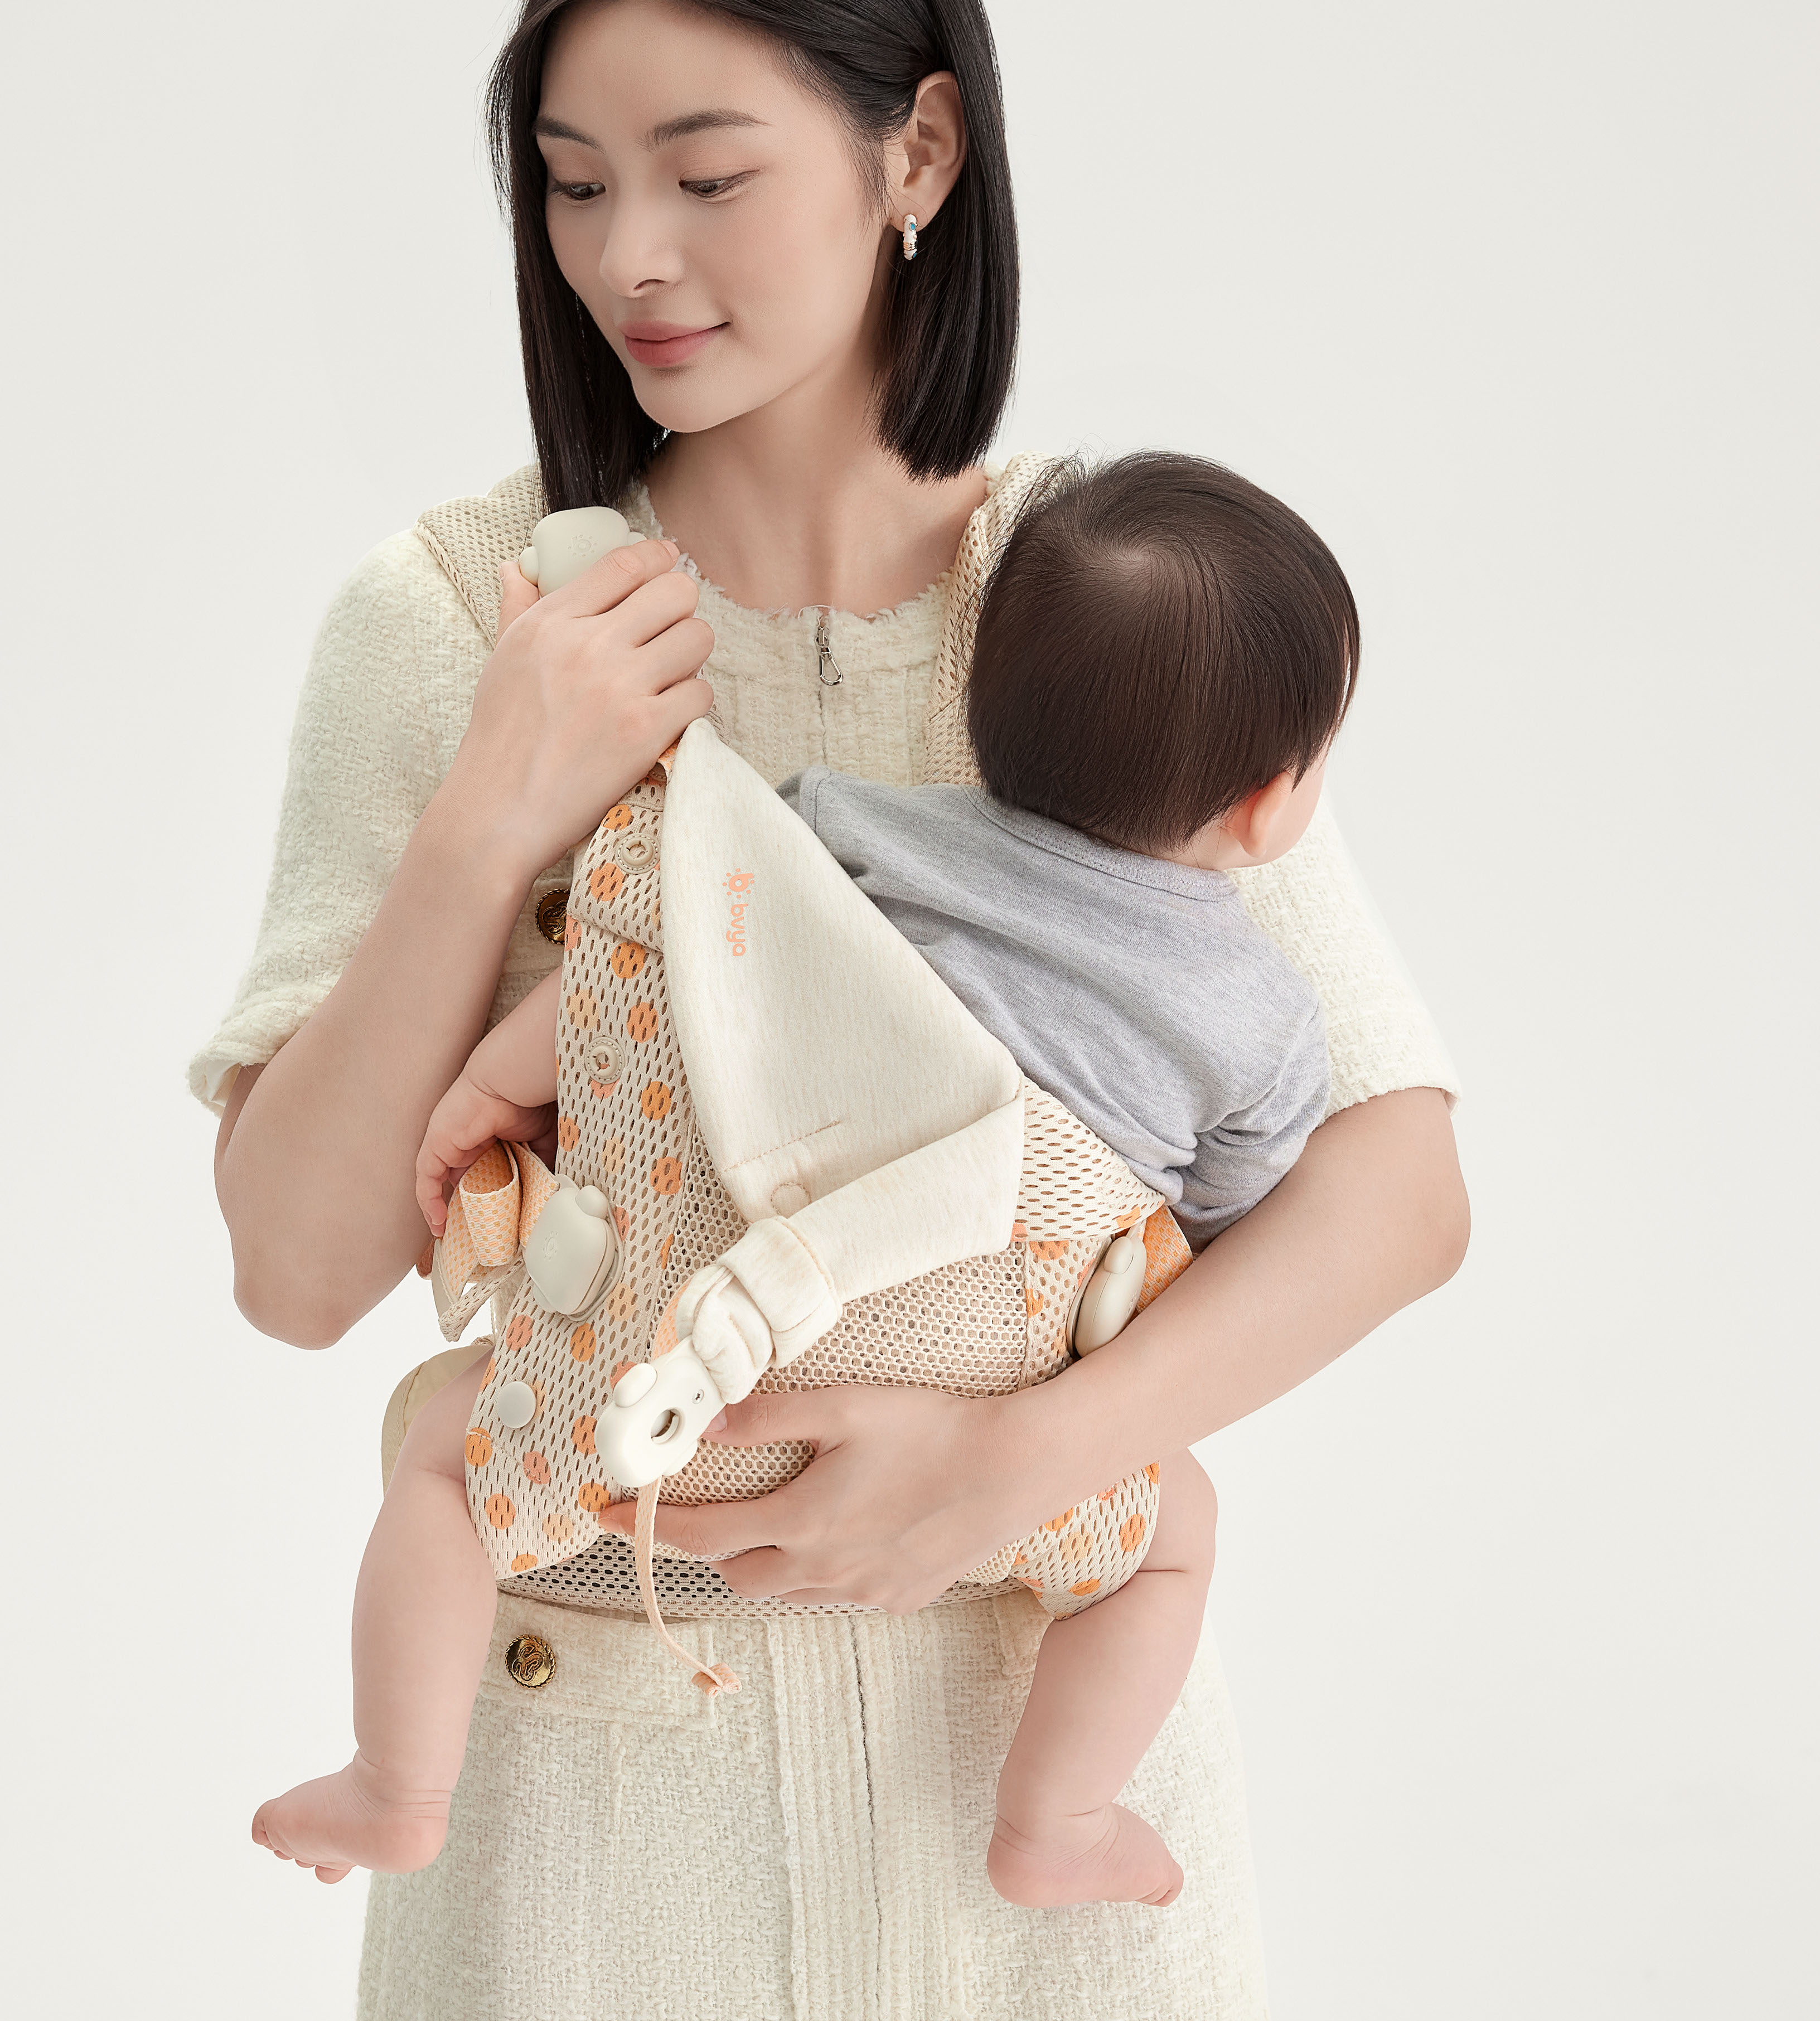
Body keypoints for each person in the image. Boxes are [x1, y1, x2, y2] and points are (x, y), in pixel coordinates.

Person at [196, 0, 1465, 2021]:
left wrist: (1026, 1461)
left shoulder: (1110, 597)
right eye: (572, 182)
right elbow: (299, 1263)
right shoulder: (447, 619)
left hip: (1049, 1962)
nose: (630, 255)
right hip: (588, 1957)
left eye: (706, 169)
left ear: (920, 152)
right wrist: (497, 802)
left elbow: (1394, 1176)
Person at [250, 450, 1354, 1923]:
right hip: (985, 1424)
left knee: (445, 1460)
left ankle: (397, 1784)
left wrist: (497, 1085)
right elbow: (1218, 1235)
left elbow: (653, 958)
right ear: (1271, 805)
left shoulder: (845, 824)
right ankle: (1059, 1816)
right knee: (1173, 1541)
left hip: (674, 1383)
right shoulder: (1267, 1025)